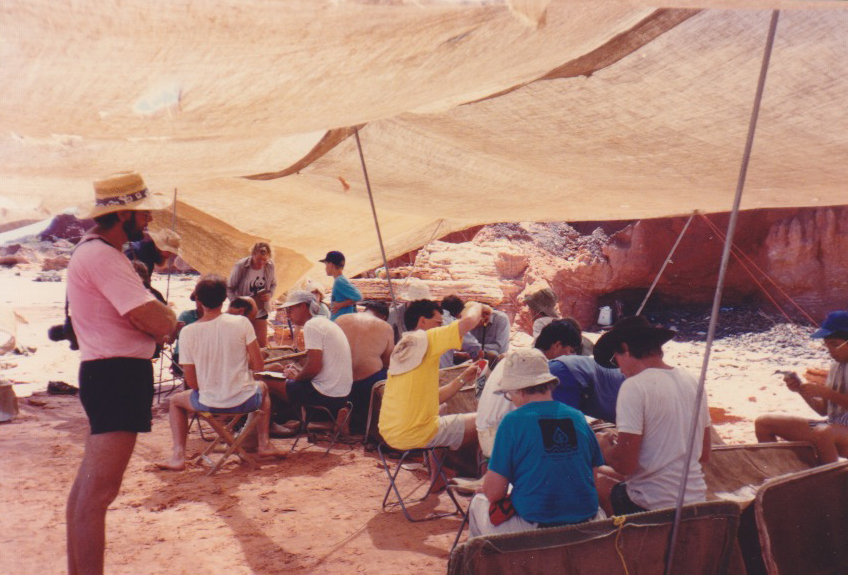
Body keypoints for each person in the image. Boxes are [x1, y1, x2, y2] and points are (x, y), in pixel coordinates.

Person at [66, 171, 177, 575]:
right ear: (124, 214)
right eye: (143, 213)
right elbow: (156, 319)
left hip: (107, 373)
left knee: (88, 490)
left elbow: (144, 318)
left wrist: (154, 320)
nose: (148, 221)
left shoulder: (92, 251)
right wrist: (165, 319)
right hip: (117, 376)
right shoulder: (104, 256)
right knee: (98, 493)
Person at [468, 348, 605, 536]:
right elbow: (593, 477)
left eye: (510, 394)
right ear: (548, 385)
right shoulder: (577, 417)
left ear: (520, 390)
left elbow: (494, 493)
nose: (512, 400)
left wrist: (485, 487)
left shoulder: (512, 421)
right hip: (587, 521)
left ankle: (480, 565)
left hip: (536, 527)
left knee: (478, 503)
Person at [156, 275, 281, 470]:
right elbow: (259, 367)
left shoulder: (188, 332)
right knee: (263, 387)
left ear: (198, 298)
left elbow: (193, 383)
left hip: (208, 402)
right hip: (245, 400)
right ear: (224, 299)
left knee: (175, 401)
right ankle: (264, 443)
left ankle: (178, 455)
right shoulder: (242, 323)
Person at [592, 316, 711, 516]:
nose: (619, 369)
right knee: (606, 474)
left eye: (616, 359)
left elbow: (625, 466)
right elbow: (704, 453)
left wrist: (603, 447)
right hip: (693, 499)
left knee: (593, 480)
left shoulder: (634, 386)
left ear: (625, 348)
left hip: (651, 506)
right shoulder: (691, 380)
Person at [378, 299, 482, 488]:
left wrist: (463, 378)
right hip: (415, 434)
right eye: (438, 322)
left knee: (440, 408)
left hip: (389, 432)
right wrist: (475, 305)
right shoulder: (425, 339)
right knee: (488, 421)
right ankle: (486, 483)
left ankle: (437, 476)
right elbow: (470, 321)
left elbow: (432, 399)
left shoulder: (404, 345)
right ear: (422, 321)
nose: (441, 327)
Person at [755, 311, 848, 464]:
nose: (830, 351)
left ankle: (830, 480)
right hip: (834, 427)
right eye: (827, 345)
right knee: (764, 422)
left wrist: (827, 393)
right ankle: (774, 471)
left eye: (835, 345)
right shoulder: (836, 366)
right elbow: (823, 410)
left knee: (823, 432)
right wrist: (801, 390)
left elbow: (830, 398)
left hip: (834, 431)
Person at [264, 290, 354, 431]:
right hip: (341, 395)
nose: (288, 315)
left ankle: (267, 427)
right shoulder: (325, 323)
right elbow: (319, 365)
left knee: (264, 383)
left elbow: (313, 367)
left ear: (304, 307)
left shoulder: (312, 325)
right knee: (285, 378)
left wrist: (297, 378)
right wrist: (299, 372)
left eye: (290, 309)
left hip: (325, 395)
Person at [535, 320, 625, 423]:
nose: (572, 356)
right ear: (557, 345)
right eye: (571, 351)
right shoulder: (560, 368)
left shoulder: (529, 362)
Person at [335, 310, 395, 433]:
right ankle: (361, 420)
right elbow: (388, 361)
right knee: (386, 379)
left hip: (339, 381)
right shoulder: (385, 327)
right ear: (383, 317)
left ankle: (346, 408)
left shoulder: (340, 320)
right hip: (369, 384)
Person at [227, 242, 276, 348]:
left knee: (261, 344)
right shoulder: (241, 266)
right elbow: (229, 288)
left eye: (265, 260)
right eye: (259, 260)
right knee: (242, 343)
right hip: (244, 311)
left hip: (261, 308)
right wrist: (237, 304)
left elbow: (273, 284)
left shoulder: (270, 266)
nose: (262, 263)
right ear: (252, 255)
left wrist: (269, 294)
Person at [320, 250, 362, 321]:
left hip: (342, 323)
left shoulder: (340, 281)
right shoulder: (339, 280)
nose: (325, 268)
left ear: (331, 265)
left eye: (326, 264)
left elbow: (358, 296)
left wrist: (339, 305)